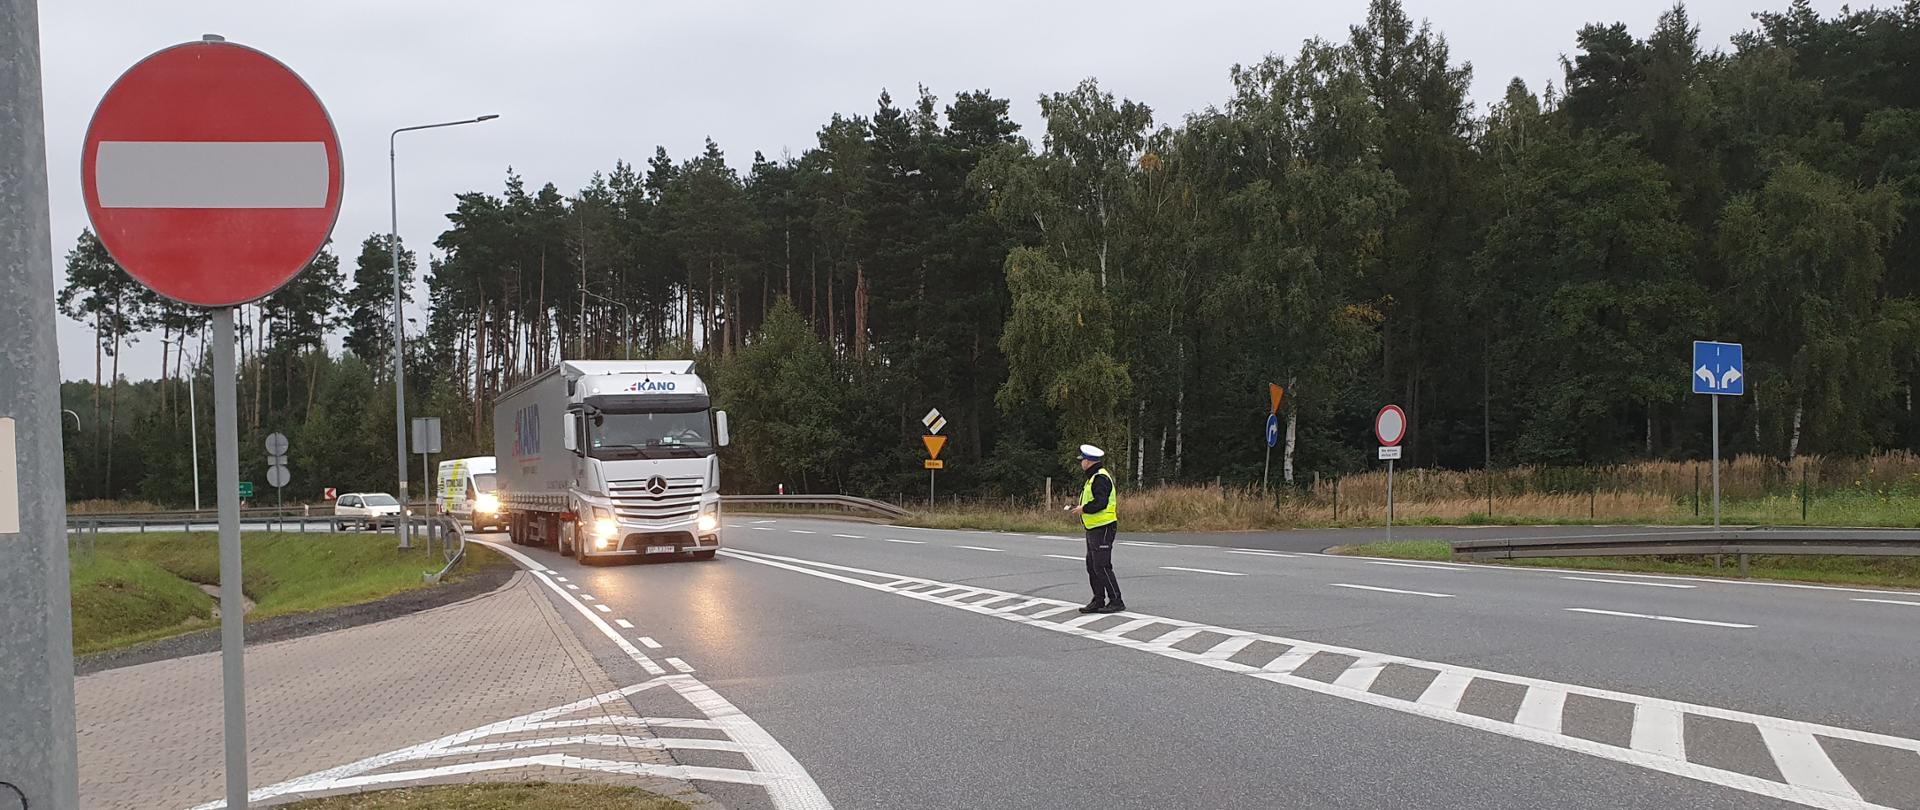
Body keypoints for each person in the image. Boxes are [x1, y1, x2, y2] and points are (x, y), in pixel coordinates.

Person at [1068, 444, 1124, 614]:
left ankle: (1116, 600)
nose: (1081, 463)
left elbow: (1101, 503)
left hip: (1104, 527)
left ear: (1088, 461)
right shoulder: (1092, 478)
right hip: (1094, 527)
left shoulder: (1100, 478)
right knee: (1092, 565)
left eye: (1082, 460)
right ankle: (1098, 599)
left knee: (1102, 566)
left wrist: (1083, 509)